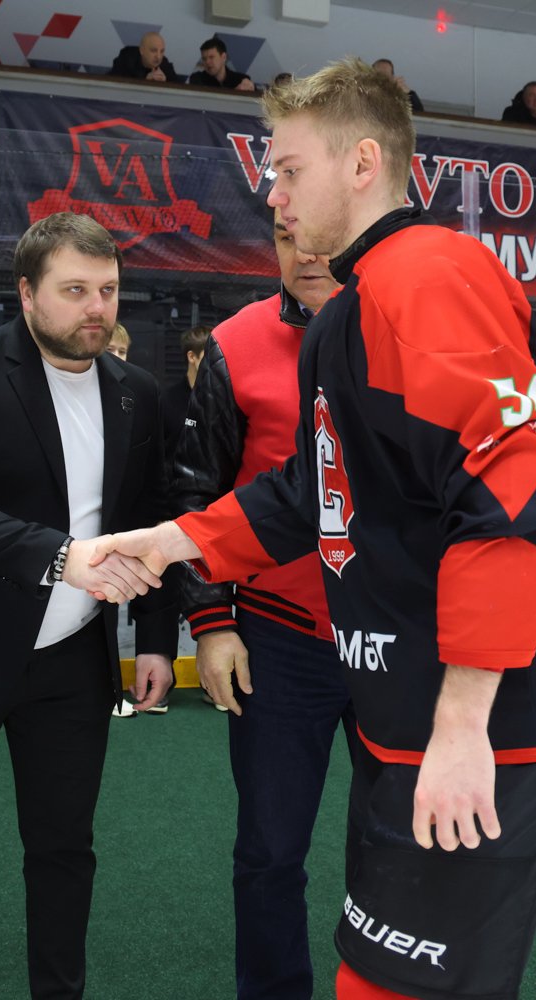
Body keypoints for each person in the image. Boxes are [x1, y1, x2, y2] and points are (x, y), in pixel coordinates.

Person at [87, 58, 536, 1000]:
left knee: (400, 984)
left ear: (363, 163)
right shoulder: (358, 305)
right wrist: (173, 542)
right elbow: (317, 489)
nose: (272, 194)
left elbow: (520, 492)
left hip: (494, 710)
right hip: (418, 695)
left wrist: (461, 725)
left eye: (288, 170)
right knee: (380, 964)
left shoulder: (422, 278)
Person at [0, 211, 176, 1000]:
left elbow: (151, 516)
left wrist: (155, 636)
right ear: (25, 293)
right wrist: (57, 556)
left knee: (63, 849)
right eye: (74, 290)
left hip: (72, 665)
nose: (96, 308)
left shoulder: (135, 392)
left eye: (107, 290)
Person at [173, 210, 352, 998]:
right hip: (278, 637)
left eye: (322, 239)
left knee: (402, 844)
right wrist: (211, 623)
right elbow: (197, 492)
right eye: (286, 239)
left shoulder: (408, 333)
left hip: (399, 640)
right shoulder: (233, 343)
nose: (304, 253)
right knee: (270, 850)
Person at [160, 325, 210, 453]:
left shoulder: (221, 400)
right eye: (209, 355)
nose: (215, 362)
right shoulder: (166, 400)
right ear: (192, 356)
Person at [108, 31, 182, 83]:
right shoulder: (127, 57)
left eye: (162, 51)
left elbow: (179, 89)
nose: (158, 56)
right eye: (153, 50)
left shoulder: (164, 64)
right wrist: (144, 81)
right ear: (142, 50)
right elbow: (112, 83)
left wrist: (165, 83)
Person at [188, 36, 256, 92]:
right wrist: (235, 92)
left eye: (211, 57)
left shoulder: (241, 80)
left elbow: (259, 100)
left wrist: (251, 88)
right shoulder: (197, 79)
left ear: (223, 57)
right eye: (204, 59)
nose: (207, 62)